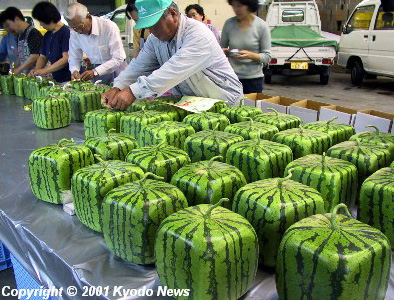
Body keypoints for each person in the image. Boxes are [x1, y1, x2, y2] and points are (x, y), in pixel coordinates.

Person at [102, 0, 243, 111]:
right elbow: (139, 66)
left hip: (224, 104)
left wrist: (132, 92)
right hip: (194, 105)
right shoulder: (155, 39)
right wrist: (118, 87)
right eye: (149, 27)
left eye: (155, 25)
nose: (152, 31)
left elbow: (172, 71)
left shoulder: (198, 34)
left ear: (173, 14)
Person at [64, 3, 127, 85]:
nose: (78, 31)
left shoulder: (108, 26)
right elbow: (74, 57)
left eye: (80, 26)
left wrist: (95, 72)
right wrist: (74, 70)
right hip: (96, 72)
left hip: (116, 70)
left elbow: (118, 58)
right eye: (73, 28)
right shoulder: (74, 33)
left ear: (88, 17)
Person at [221, 0, 271, 94]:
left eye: (239, 6)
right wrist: (224, 52)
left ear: (249, 5)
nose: (236, 9)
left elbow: (267, 57)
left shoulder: (262, 26)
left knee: (251, 107)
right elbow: (221, 49)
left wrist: (251, 55)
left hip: (253, 80)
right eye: (233, 6)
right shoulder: (229, 24)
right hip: (232, 78)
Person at [29, 2, 71, 83]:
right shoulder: (47, 35)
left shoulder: (66, 32)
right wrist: (36, 70)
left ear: (48, 18)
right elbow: (42, 57)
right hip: (56, 79)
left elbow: (66, 58)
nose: (41, 25)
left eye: (41, 21)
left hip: (69, 79)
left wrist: (44, 70)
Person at [0, 7, 43, 74]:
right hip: (28, 75)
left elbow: (35, 56)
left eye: (8, 25)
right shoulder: (20, 36)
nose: (8, 30)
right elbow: (21, 57)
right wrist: (13, 68)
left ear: (16, 19)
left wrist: (18, 69)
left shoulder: (33, 33)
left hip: (38, 75)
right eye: (6, 28)